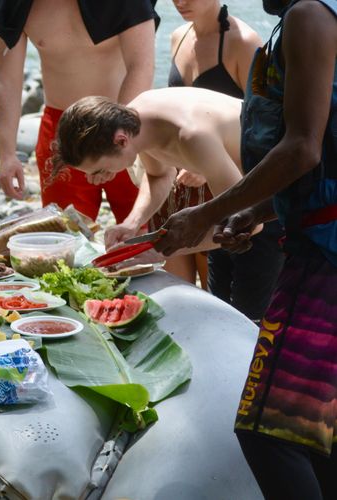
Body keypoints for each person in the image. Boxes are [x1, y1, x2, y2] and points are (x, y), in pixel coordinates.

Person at [155, 1, 337, 497]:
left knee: (266, 431)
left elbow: (303, 149)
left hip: (323, 259)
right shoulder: (302, 21)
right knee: (315, 432)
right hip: (312, 241)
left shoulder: (309, 16)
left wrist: (206, 213)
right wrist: (256, 211)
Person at [162, 1, 279, 322]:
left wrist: (209, 163)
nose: (180, 1)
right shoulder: (178, 37)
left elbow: (266, 128)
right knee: (215, 307)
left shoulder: (244, 42)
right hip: (203, 196)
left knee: (248, 316)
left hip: (250, 193)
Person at [0, 0, 157, 223]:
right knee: (66, 234)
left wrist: (116, 139)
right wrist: (7, 154)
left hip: (127, 126)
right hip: (63, 133)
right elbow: (5, 80)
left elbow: (141, 66)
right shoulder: (18, 4)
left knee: (144, 232)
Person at [51, 88, 244, 262]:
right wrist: (131, 224)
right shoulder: (135, 122)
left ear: (121, 141)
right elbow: (159, 175)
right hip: (237, 192)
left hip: (259, 194)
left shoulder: (192, 136)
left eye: (100, 170)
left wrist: (161, 251)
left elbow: (242, 221)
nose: (97, 180)